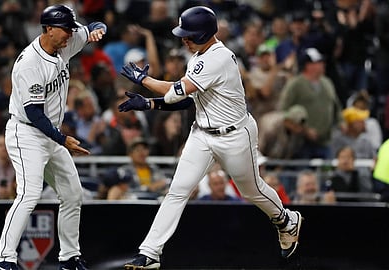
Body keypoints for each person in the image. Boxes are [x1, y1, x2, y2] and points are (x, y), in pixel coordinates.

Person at [118, 6, 303, 269]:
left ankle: (286, 220)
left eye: (189, 35)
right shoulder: (198, 56)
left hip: (234, 136)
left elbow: (176, 93)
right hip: (202, 134)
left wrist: (145, 80)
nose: (183, 39)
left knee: (252, 190)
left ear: (204, 34)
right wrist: (150, 104)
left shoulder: (218, 58)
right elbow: (188, 101)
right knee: (177, 191)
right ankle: (149, 254)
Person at [0, 4, 106, 270]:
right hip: (27, 132)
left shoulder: (64, 41)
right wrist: (62, 139)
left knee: (73, 194)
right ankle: (4, 260)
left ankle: (69, 257)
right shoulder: (30, 63)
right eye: (65, 29)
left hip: (50, 133)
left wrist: (99, 29)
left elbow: (93, 29)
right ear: (48, 29)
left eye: (70, 28)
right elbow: (33, 112)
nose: (70, 34)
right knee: (29, 195)